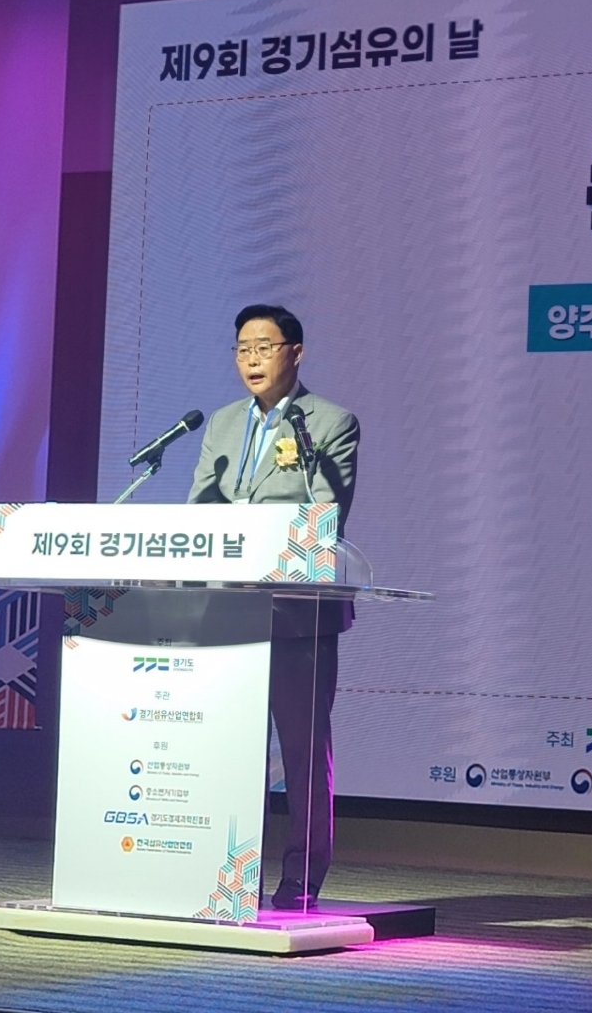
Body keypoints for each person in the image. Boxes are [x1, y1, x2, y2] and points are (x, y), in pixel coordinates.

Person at [187, 304, 360, 910]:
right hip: (228, 611)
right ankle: (234, 876)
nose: (252, 359)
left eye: (264, 347)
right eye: (242, 349)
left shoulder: (331, 422)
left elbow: (327, 512)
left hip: (296, 612)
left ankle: (300, 879)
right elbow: (200, 507)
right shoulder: (222, 423)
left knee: (303, 751)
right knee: (232, 749)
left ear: (295, 352)